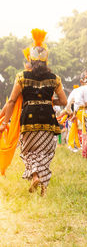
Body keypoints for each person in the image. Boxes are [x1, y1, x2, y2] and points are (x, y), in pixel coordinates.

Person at [0, 29, 67, 196]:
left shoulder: (21, 77)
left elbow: (12, 101)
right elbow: (64, 101)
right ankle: (43, 187)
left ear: (30, 59)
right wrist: (50, 101)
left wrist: (5, 122)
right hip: (49, 120)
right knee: (45, 152)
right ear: (45, 60)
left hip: (28, 119)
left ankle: (35, 176)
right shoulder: (54, 78)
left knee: (28, 151)